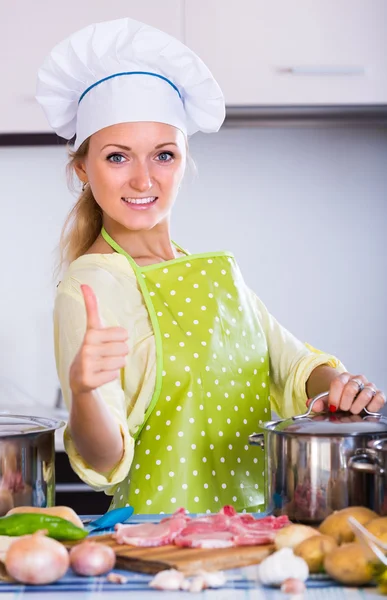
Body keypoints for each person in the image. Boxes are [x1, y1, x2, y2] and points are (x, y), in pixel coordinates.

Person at [36, 17, 385, 515]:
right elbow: (102, 459)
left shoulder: (214, 273)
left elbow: (293, 366)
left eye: (163, 154)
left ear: (183, 160)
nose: (142, 179)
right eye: (117, 157)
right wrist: (84, 391)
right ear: (82, 170)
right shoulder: (90, 285)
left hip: (255, 532)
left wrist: (340, 387)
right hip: (159, 549)